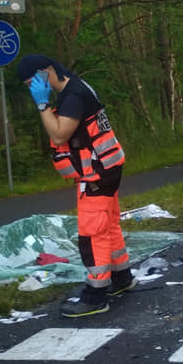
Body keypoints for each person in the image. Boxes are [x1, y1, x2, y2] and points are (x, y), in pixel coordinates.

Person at [17, 54, 134, 317]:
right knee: (108, 225)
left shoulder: (73, 96)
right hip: (107, 166)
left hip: (96, 174)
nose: (31, 89)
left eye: (32, 83)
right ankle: (121, 278)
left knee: (92, 235)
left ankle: (95, 295)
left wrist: (42, 105)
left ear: (46, 71)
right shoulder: (77, 87)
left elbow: (59, 133)